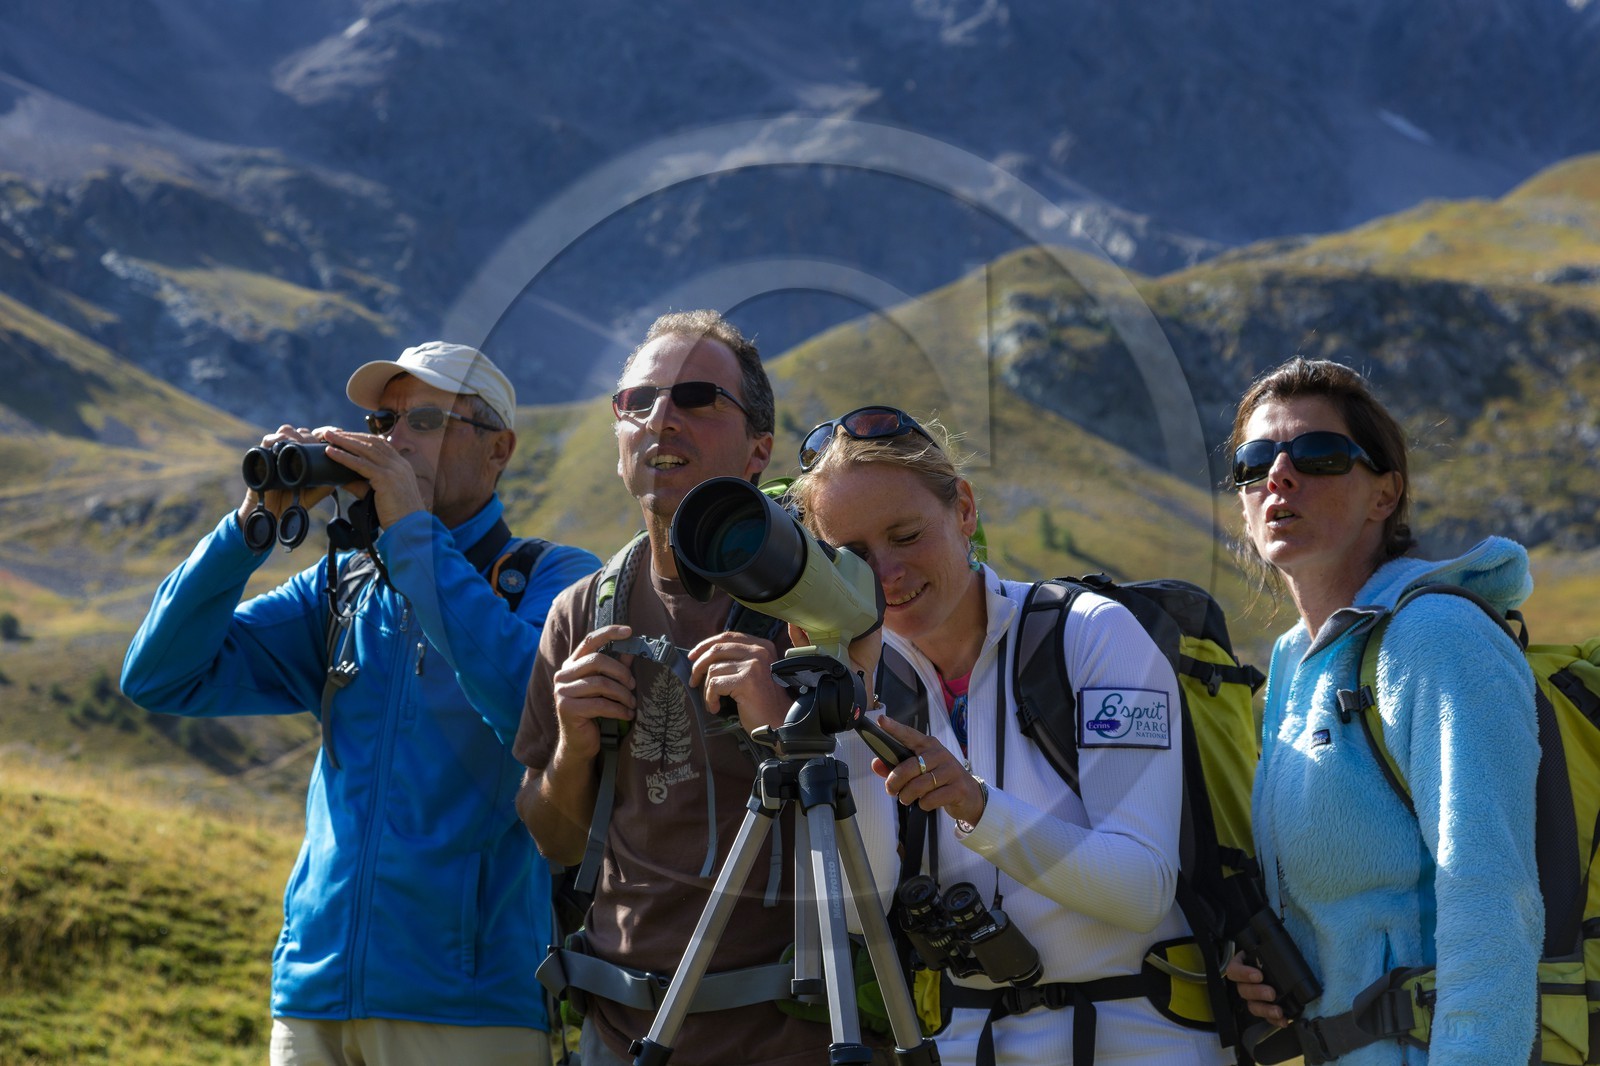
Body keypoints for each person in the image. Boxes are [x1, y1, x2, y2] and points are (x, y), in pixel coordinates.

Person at [121, 341, 600, 1066]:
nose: (396, 441)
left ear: (498, 449)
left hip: (468, 1006)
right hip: (314, 995)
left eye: (428, 421)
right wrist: (247, 532)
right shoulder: (343, 588)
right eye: (384, 421)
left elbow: (526, 712)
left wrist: (413, 537)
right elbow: (160, 675)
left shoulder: (558, 581)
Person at [788, 406, 1230, 1065]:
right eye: (851, 557)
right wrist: (850, 712)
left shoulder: (1088, 635)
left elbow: (1140, 890)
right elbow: (861, 913)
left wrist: (978, 807)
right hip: (966, 1042)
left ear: (963, 510)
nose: (886, 575)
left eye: (906, 536)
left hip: (1139, 1036)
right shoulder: (871, 677)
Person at [512, 310, 833, 1066]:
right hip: (619, 1032)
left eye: (696, 399)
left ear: (759, 450)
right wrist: (572, 749)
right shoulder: (583, 612)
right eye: (638, 400)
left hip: (787, 1033)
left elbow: (895, 827)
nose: (662, 418)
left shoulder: (819, 602)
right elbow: (553, 836)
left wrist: (786, 729)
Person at [1221, 358, 1542, 1064]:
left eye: (1319, 455)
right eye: (1254, 462)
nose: (1278, 476)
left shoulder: (1437, 639)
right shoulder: (1289, 663)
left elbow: (1493, 899)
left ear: (1384, 494)